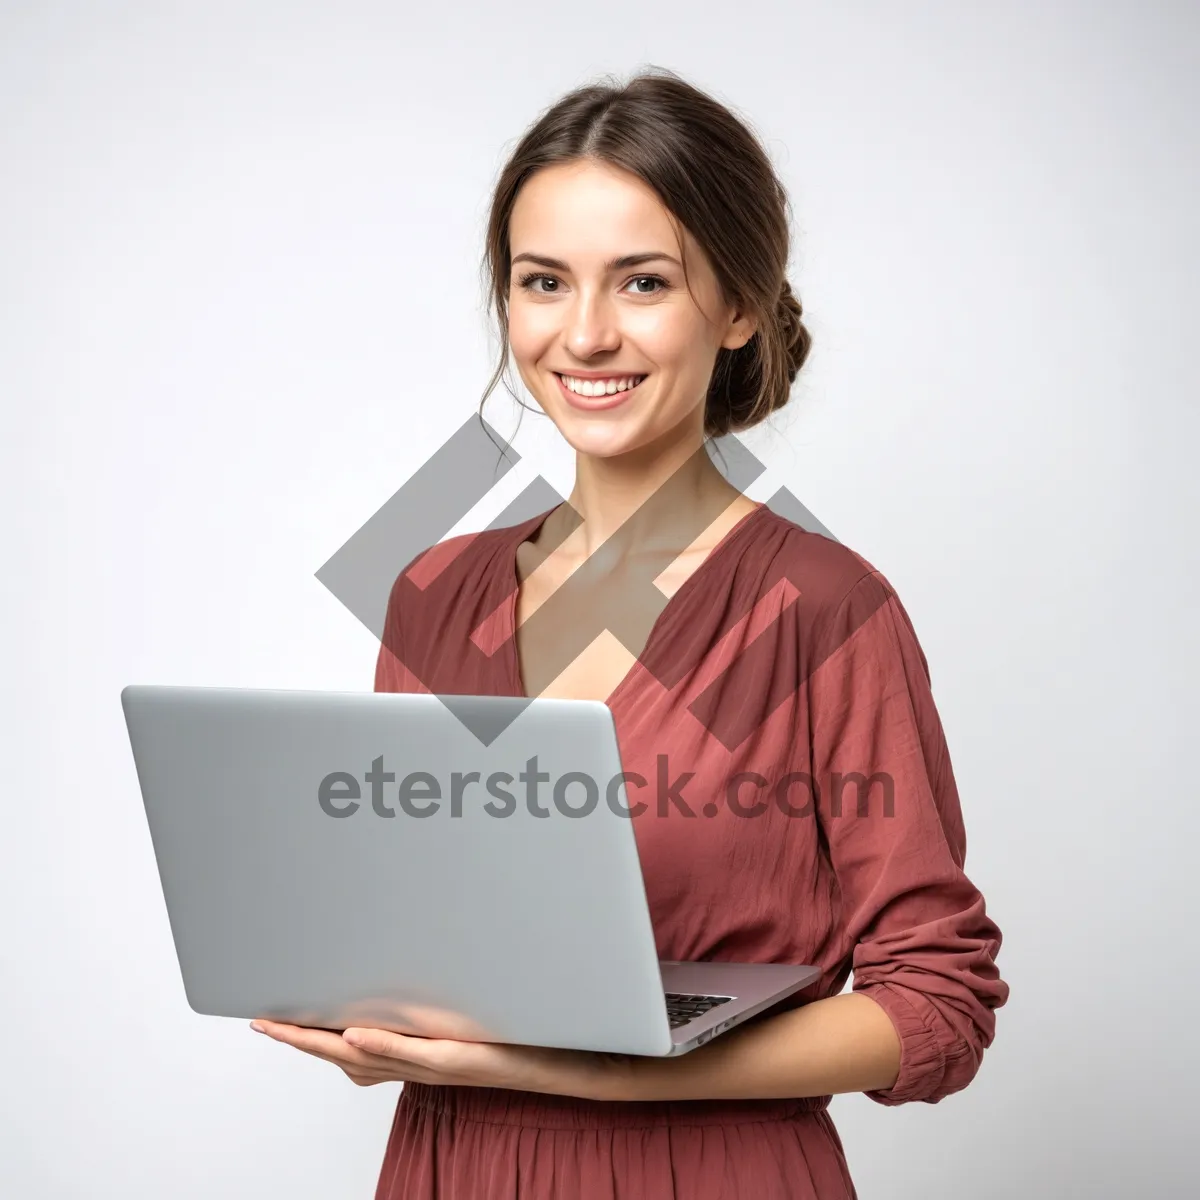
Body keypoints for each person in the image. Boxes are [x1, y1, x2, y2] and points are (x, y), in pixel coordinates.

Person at [250, 67, 1010, 1199]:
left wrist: (607, 1078)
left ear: (738, 305)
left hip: (708, 1171)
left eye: (643, 281)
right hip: (457, 1163)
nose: (586, 334)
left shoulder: (827, 611)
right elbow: (431, 927)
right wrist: (367, 1007)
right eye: (542, 281)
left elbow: (935, 1004)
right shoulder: (433, 594)